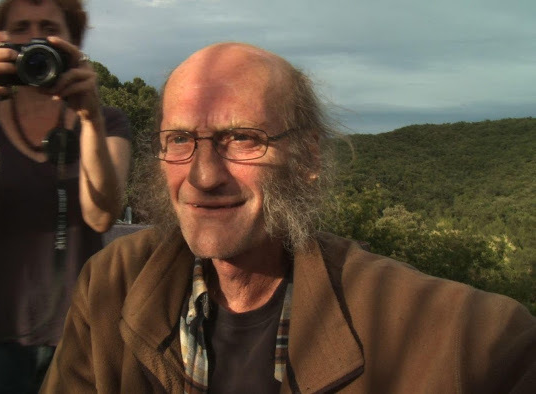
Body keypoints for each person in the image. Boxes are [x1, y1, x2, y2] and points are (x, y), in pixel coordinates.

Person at [40, 42, 536, 393]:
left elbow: (498, 348)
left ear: (308, 160)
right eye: (180, 139)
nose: (204, 176)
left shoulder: (466, 339)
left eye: (243, 138)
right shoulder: (111, 284)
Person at [0, 0, 131, 392]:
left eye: (48, 27)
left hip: (77, 332)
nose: (34, 37)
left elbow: (102, 216)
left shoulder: (108, 120)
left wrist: (89, 118)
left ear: (72, 43)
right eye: (20, 27)